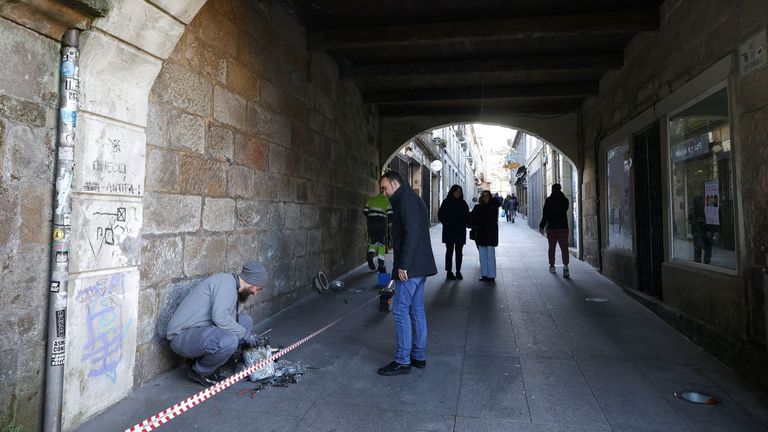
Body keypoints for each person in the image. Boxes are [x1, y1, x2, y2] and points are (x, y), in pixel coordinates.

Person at [166, 260, 268, 386]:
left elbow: (228, 318)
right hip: (181, 336)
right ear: (253, 282)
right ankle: (199, 371)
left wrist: (246, 333)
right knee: (230, 341)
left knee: (246, 322)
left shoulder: (232, 285)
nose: (255, 293)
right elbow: (220, 318)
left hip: (199, 329)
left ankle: (220, 359)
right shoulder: (225, 285)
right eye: (258, 289)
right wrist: (246, 335)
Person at [377, 170, 437, 376]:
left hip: (410, 269)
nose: (384, 193)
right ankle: (418, 357)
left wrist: (403, 265)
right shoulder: (412, 198)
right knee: (416, 310)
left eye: (385, 188)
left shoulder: (405, 201)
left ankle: (402, 360)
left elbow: (411, 233)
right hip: (419, 266)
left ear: (395, 184)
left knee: (400, 310)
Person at [438, 184, 470, 280]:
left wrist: (464, 223)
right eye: (456, 191)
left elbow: (467, 216)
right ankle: (449, 271)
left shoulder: (463, 204)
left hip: (460, 231)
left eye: (460, 192)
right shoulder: (446, 202)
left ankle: (458, 271)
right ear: (452, 192)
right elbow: (440, 215)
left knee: (459, 252)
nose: (458, 193)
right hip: (449, 231)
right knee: (449, 252)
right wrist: (446, 223)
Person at [539, 184, 570, 278]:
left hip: (552, 228)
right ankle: (566, 268)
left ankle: (552, 266)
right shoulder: (565, 200)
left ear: (552, 190)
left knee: (551, 248)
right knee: (564, 248)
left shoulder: (549, 200)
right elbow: (565, 210)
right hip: (563, 227)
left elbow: (545, 214)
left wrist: (541, 226)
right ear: (560, 189)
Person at [470, 190, 500, 281]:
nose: (485, 197)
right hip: (481, 234)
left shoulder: (493, 207)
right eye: (484, 196)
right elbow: (472, 218)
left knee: (490, 256)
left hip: (490, 234)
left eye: (487, 196)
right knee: (482, 256)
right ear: (481, 198)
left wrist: (479, 218)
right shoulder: (478, 207)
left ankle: (491, 275)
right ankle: (484, 274)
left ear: (490, 197)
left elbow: (489, 218)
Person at [363, 191, 393, 273]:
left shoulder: (371, 200)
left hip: (371, 225)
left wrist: (371, 218)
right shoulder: (386, 201)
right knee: (381, 244)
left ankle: (370, 256)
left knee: (372, 243)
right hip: (380, 226)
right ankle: (381, 265)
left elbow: (365, 211)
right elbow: (390, 214)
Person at [689, 195, 715, 264]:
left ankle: (702, 262)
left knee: (701, 249)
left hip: (702, 231)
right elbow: (690, 220)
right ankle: (704, 262)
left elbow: (690, 221)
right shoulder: (704, 209)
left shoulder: (694, 210)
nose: (699, 204)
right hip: (701, 231)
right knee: (705, 249)